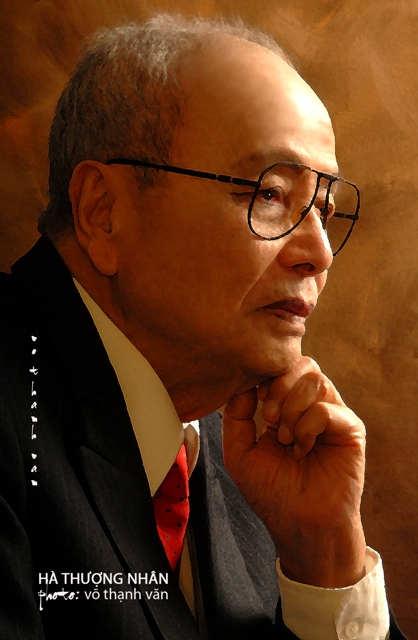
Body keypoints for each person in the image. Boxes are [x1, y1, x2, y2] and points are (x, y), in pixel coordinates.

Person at [0, 14, 407, 640]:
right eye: (270, 194)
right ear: (103, 211)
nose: (319, 254)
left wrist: (326, 561)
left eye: (323, 211)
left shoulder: (259, 455)